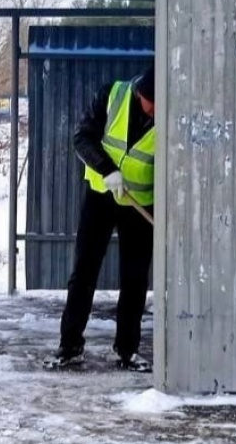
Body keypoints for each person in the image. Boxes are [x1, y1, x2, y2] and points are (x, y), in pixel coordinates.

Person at [47, 65, 156, 372]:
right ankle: (70, 346)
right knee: (84, 270)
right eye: (150, 104)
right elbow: (82, 137)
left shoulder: (168, 115)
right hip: (102, 195)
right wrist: (107, 169)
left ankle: (127, 350)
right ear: (139, 93)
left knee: (134, 278)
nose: (154, 111)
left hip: (140, 203)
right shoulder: (112, 95)